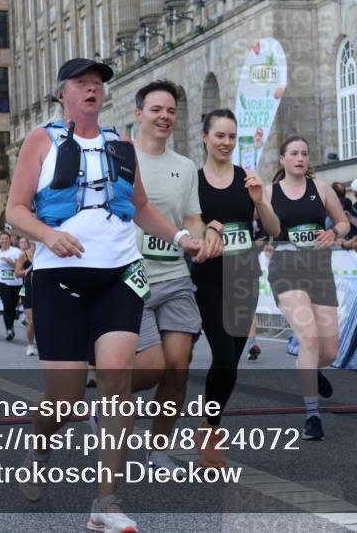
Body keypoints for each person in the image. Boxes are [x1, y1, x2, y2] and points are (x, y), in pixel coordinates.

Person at [5, 57, 205, 530]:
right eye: (82, 82)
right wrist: (46, 235)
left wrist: (180, 238)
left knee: (117, 384)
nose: (92, 89)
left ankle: (106, 503)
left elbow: (140, 208)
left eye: (98, 83)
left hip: (119, 275)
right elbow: (15, 209)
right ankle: (39, 448)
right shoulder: (42, 139)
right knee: (67, 399)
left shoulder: (121, 144)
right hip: (60, 277)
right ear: (62, 93)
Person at [128, 80, 222, 478]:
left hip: (175, 275)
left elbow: (191, 218)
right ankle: (110, 402)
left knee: (179, 365)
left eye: (170, 111)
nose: (165, 117)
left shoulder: (185, 166)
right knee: (151, 368)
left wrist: (203, 238)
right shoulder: (120, 158)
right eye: (156, 110)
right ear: (139, 115)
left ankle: (158, 450)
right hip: (130, 278)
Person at [192, 109, 281, 467]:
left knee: (233, 361)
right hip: (207, 277)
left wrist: (260, 200)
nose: (226, 142)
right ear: (205, 137)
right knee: (224, 356)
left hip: (244, 276)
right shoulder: (193, 181)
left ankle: (209, 422)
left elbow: (273, 229)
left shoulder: (248, 179)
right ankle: (212, 432)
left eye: (231, 136)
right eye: (220, 136)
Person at [264, 136, 350, 440]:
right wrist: (263, 243)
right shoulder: (268, 192)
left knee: (329, 352)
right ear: (282, 160)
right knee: (309, 339)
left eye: (305, 153)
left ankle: (313, 369)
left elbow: (344, 223)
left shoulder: (322, 189)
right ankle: (312, 416)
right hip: (286, 271)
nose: (300, 158)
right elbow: (255, 230)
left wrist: (333, 232)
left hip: (319, 271)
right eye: (294, 153)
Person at [0, 232, 23, 342]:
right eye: (2, 239)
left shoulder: (16, 251)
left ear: (10, 240)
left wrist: (10, 261)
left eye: (6, 239)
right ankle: (9, 329)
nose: (4, 241)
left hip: (16, 282)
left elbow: (20, 266)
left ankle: (10, 325)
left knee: (12, 306)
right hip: (2, 282)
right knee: (7, 305)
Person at [14, 236, 36, 356]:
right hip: (28, 289)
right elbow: (17, 274)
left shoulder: (45, 254)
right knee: (32, 320)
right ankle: (30, 345)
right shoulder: (23, 255)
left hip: (43, 288)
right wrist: (28, 270)